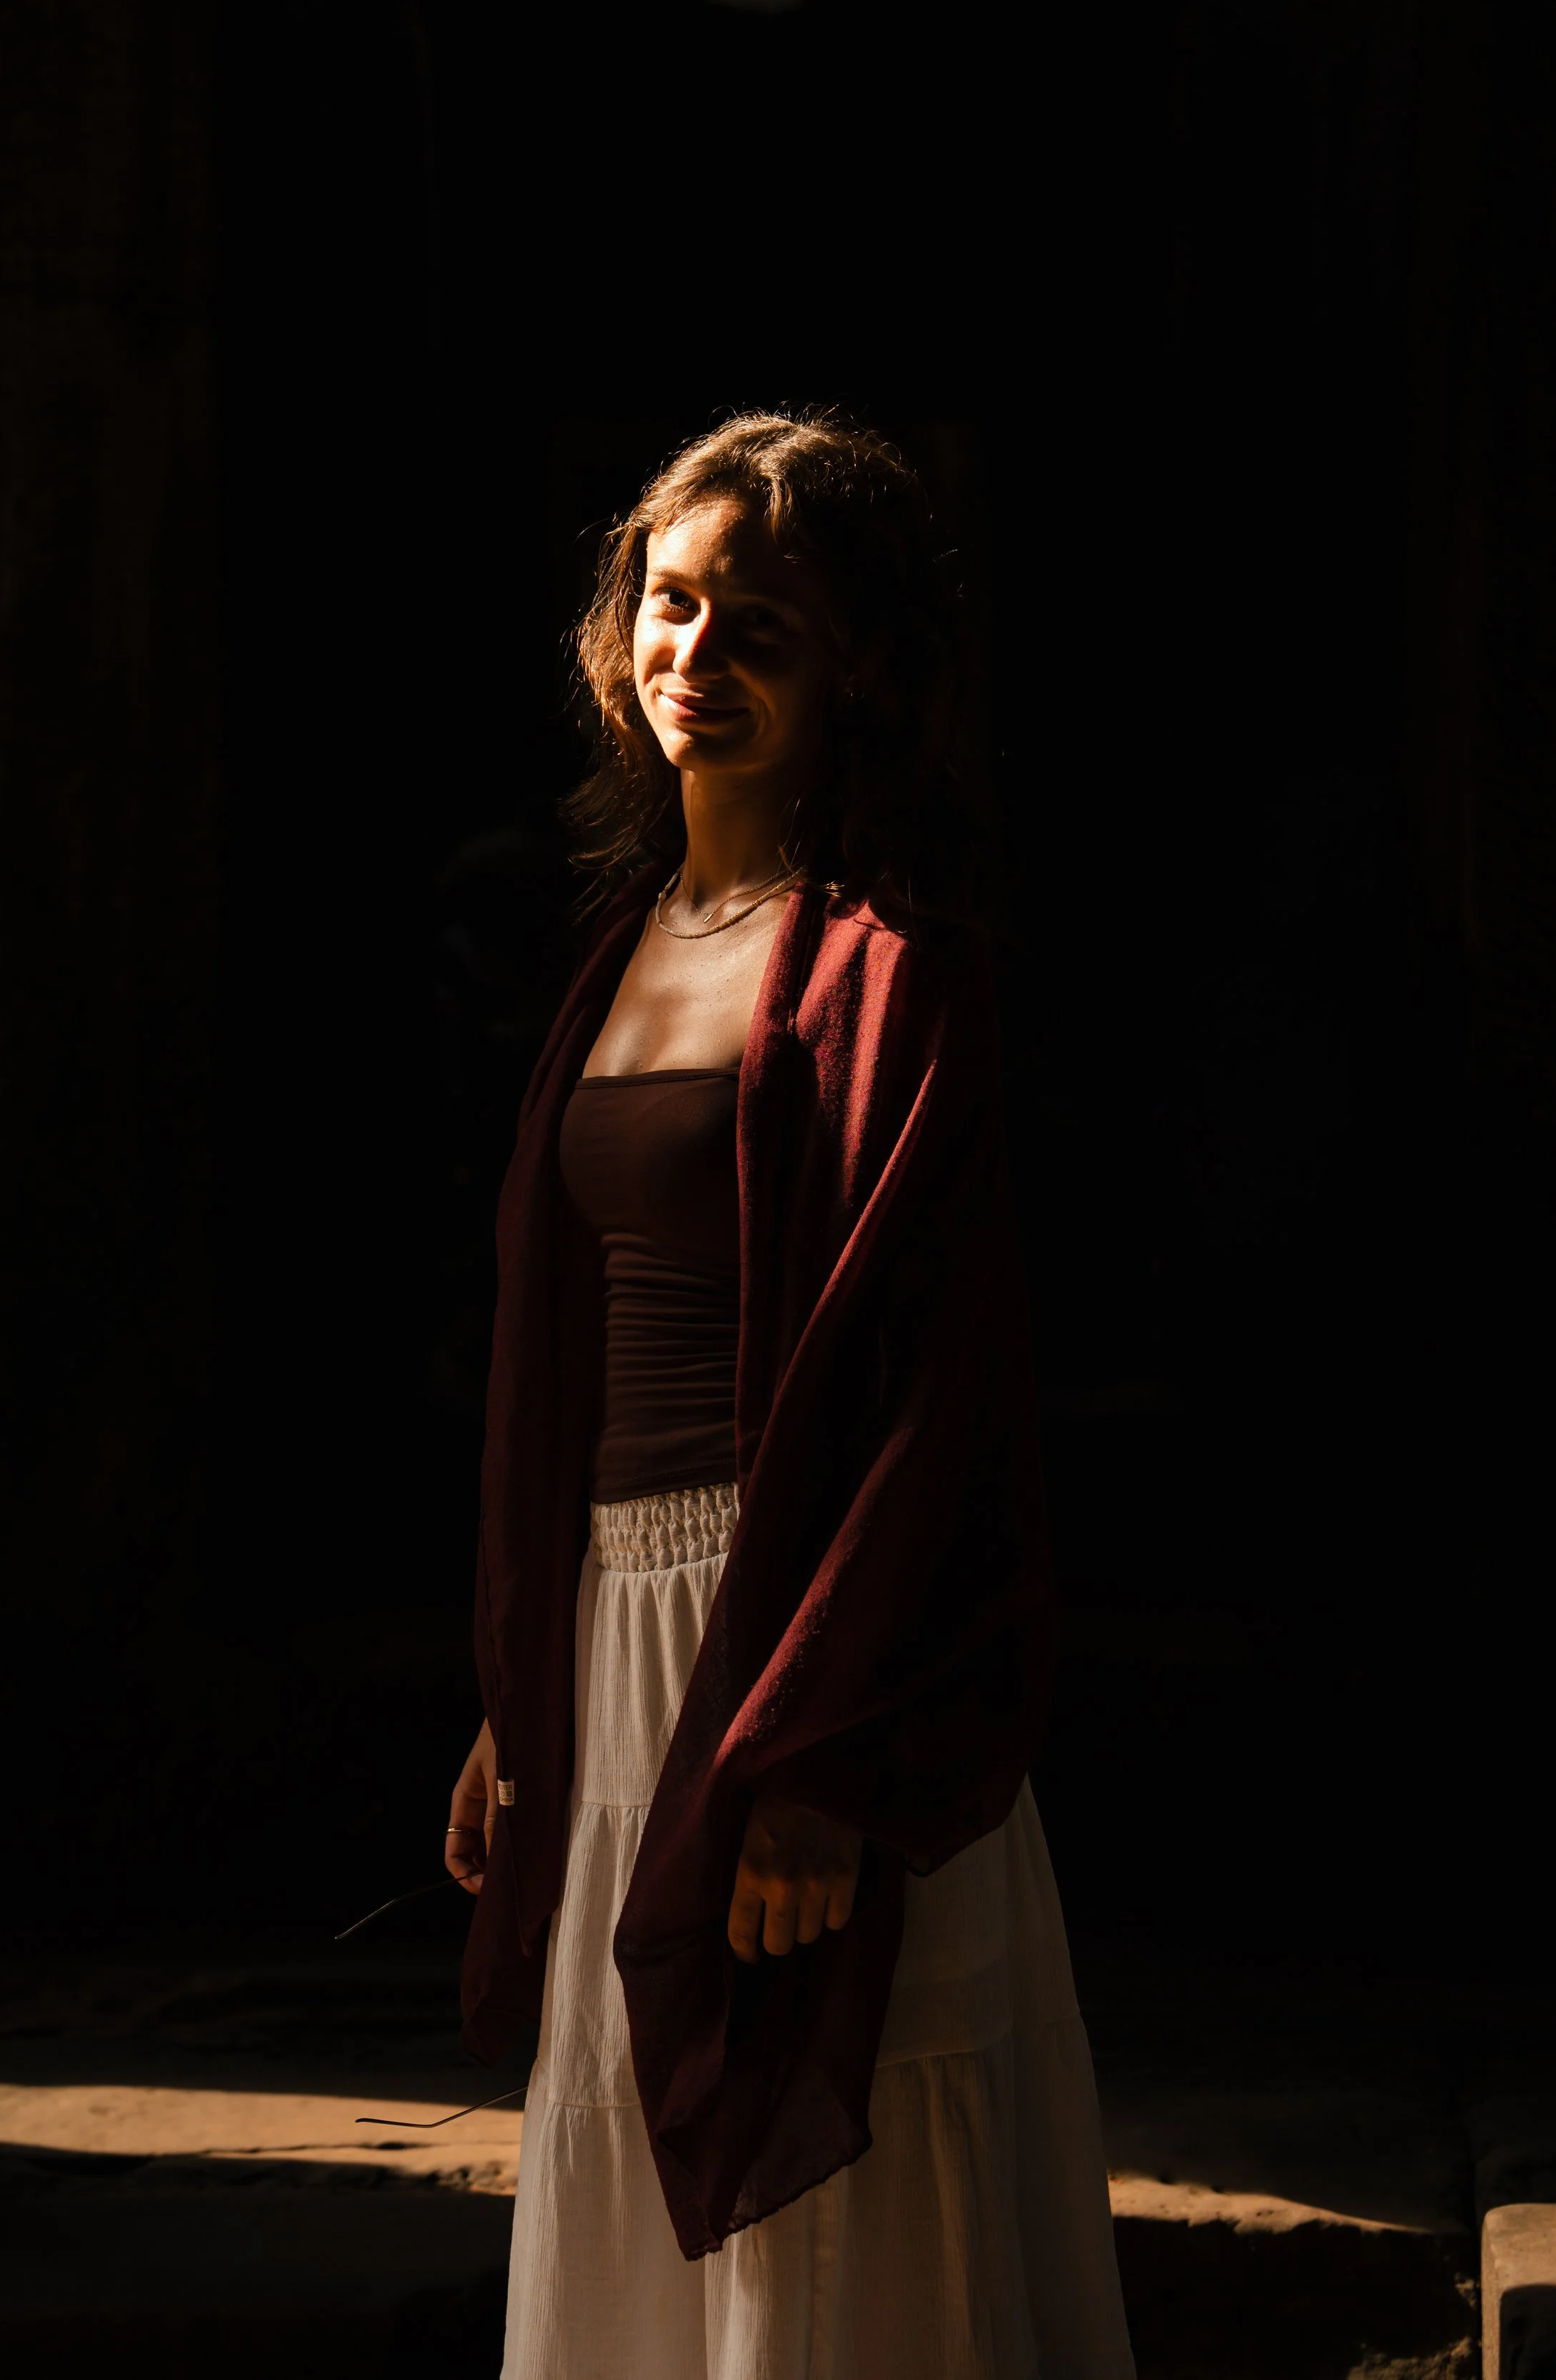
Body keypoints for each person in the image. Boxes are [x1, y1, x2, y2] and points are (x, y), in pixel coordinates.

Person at [447, 412, 1133, 2379]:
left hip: (811, 1641)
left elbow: (936, 1407)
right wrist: (521, 1685)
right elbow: (563, 1374)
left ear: (856, 669)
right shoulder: (621, 953)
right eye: (671, 605)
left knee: (845, 2225)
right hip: (623, 1639)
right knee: (645, 2200)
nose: (698, 656)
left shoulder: (890, 974)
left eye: (762, 626)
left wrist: (828, 1759)